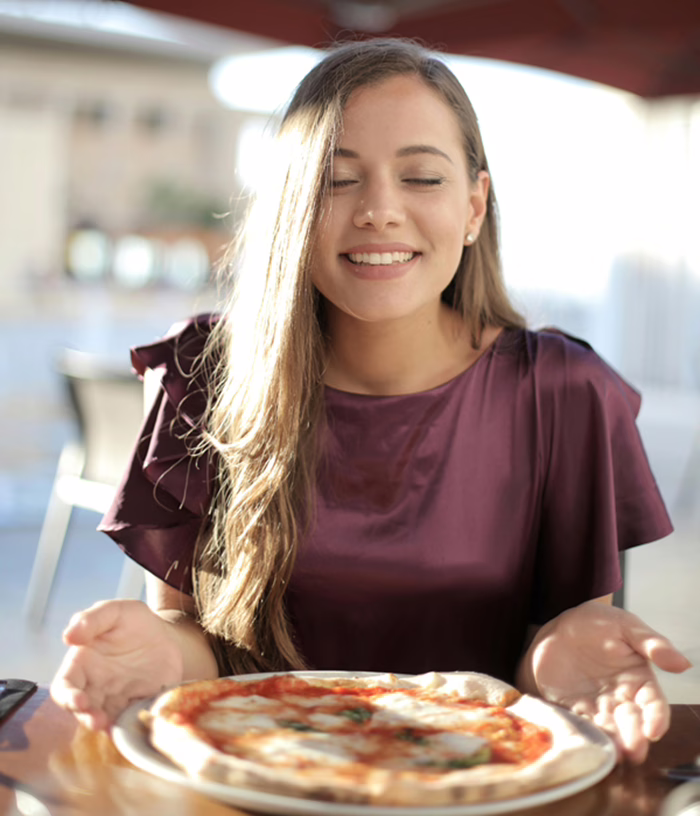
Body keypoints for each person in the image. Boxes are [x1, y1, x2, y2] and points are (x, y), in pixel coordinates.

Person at [51, 38, 690, 763]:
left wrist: (566, 653)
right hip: (256, 778)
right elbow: (187, 637)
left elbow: (566, 635)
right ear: (292, 205)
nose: (380, 212)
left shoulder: (564, 392)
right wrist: (157, 652)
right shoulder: (204, 373)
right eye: (336, 180)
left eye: (421, 178)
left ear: (475, 206)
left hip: (482, 781)